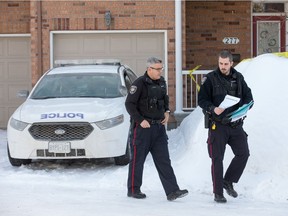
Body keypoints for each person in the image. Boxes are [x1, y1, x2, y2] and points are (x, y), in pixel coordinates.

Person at [125, 57, 188, 201]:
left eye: (161, 68)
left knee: (164, 160)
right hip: (142, 130)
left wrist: (167, 112)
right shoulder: (139, 83)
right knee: (137, 160)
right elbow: (129, 104)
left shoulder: (162, 82)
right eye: (158, 69)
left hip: (158, 129)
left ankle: (172, 191)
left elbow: (165, 100)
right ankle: (133, 190)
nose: (160, 71)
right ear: (149, 69)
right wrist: (140, 120)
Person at [198, 50, 253, 203]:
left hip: (235, 124)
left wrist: (245, 108)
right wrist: (212, 108)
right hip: (218, 126)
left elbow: (249, 97)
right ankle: (218, 193)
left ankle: (228, 181)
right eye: (220, 63)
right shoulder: (210, 79)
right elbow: (201, 100)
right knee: (217, 159)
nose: (223, 66)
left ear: (231, 63)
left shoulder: (239, 78)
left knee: (243, 154)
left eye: (225, 64)